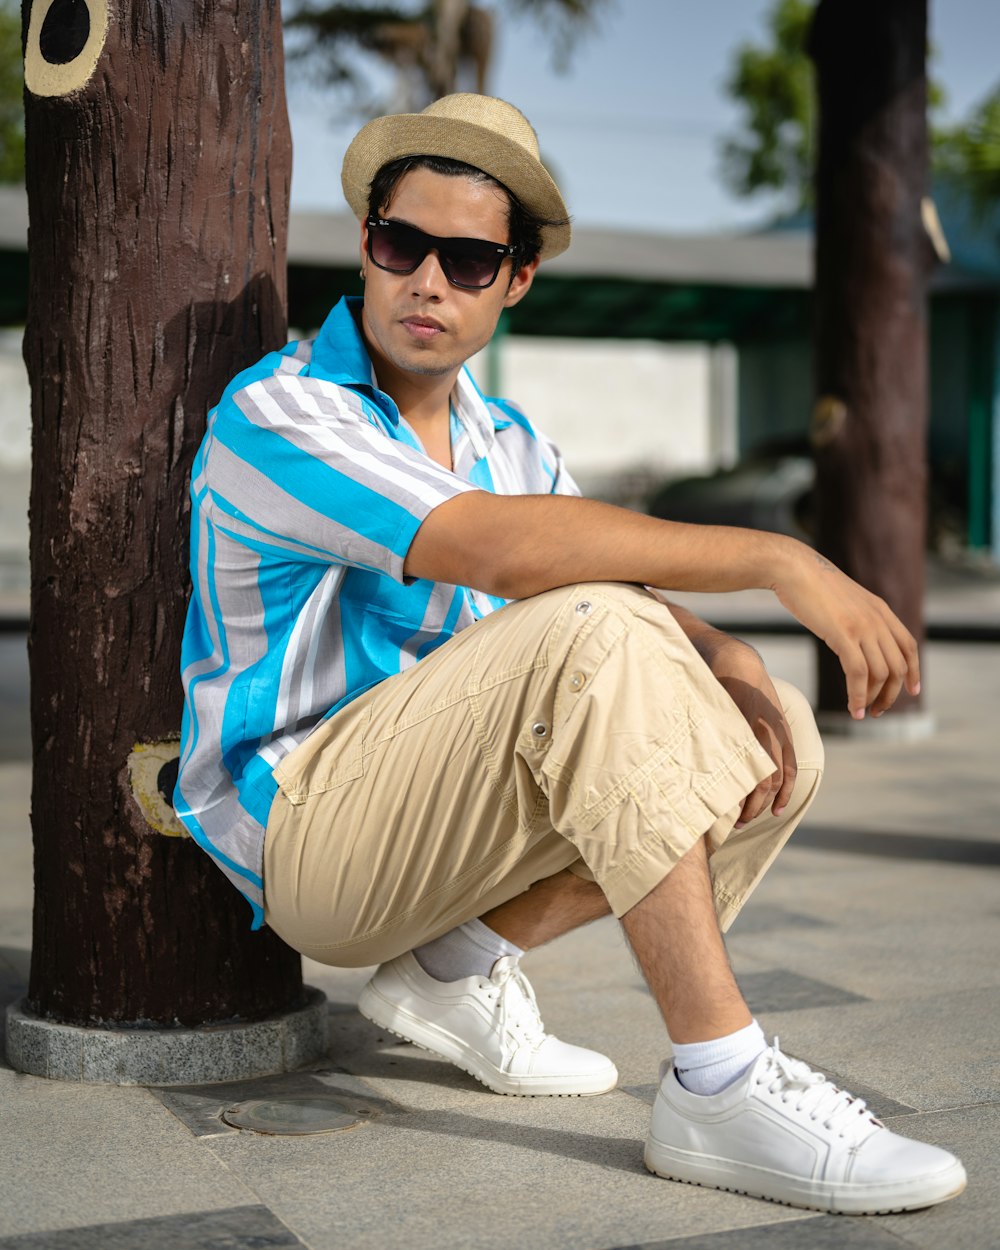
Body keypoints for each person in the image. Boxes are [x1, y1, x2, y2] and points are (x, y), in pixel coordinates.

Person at [176, 94, 965, 1216]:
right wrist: (781, 560)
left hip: (429, 823)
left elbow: (621, 586)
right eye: (402, 244)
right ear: (365, 245)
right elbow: (504, 551)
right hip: (304, 827)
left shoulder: (511, 441)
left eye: (468, 257)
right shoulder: (287, 412)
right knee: (596, 633)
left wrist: (730, 654)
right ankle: (719, 1079)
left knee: (770, 724)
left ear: (516, 278)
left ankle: (449, 969)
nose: (427, 281)